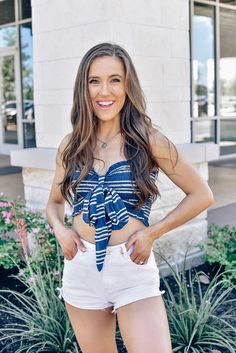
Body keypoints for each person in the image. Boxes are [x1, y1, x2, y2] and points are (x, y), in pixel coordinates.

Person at [46, 42, 214, 353]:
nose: (104, 91)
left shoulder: (149, 140)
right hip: (81, 269)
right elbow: (54, 203)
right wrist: (60, 229)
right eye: (94, 81)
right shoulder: (71, 145)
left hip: (131, 268)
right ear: (84, 88)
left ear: (127, 85)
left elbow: (201, 195)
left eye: (115, 79)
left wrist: (152, 232)